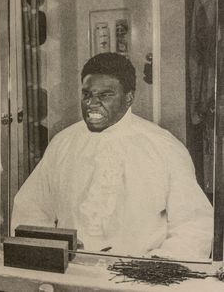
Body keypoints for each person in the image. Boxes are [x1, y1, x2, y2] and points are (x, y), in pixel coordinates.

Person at [11, 53, 213, 260]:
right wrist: (52, 254)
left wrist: (157, 267)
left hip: (138, 279)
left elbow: (194, 224)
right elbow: (31, 209)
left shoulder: (163, 146)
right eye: (87, 94)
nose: (92, 104)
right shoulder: (62, 143)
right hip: (73, 271)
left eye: (105, 95)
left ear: (128, 98)